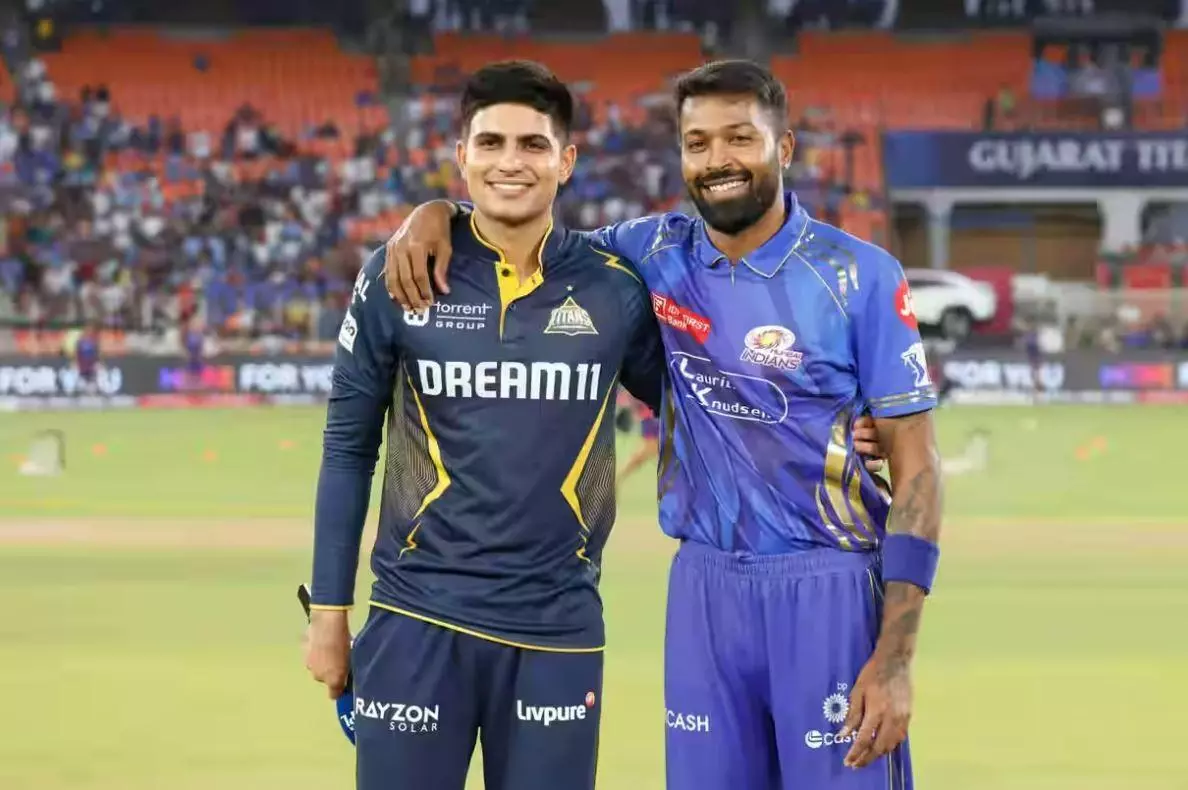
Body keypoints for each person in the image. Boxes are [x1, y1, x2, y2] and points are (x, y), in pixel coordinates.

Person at [382, 59, 943, 790]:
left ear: (785, 146)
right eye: (697, 143)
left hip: (827, 585)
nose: (718, 160)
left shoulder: (859, 276)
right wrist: (438, 213)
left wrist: (895, 659)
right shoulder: (649, 253)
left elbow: (919, 470)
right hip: (704, 591)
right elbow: (526, 228)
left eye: (740, 138)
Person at [303, 60, 668, 790]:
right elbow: (348, 448)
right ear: (461, 156)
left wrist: (846, 428)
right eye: (491, 143)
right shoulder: (399, 275)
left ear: (566, 161)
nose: (510, 162)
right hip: (415, 620)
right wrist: (329, 613)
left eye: (533, 145)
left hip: (557, 629)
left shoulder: (613, 287)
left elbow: (701, 408)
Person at [616, 397, 660, 491]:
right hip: (653, 417)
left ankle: (615, 480)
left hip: (656, 416)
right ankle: (614, 481)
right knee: (644, 454)